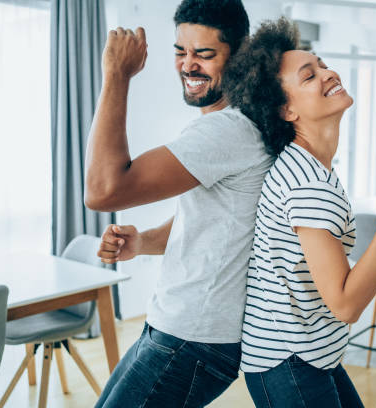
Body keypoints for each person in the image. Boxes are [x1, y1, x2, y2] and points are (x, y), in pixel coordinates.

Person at [221, 18, 376, 407]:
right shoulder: (308, 183)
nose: (329, 74)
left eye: (322, 65)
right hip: (291, 363)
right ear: (286, 110)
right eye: (309, 76)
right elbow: (346, 304)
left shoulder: (306, 166)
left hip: (305, 356)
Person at [85, 0, 275, 406]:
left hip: (193, 340)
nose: (188, 65)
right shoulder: (227, 124)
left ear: (239, 57)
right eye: (180, 51)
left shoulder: (230, 130)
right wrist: (145, 242)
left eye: (204, 54)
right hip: (175, 328)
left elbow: (103, 190)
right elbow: (219, 220)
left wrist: (117, 75)